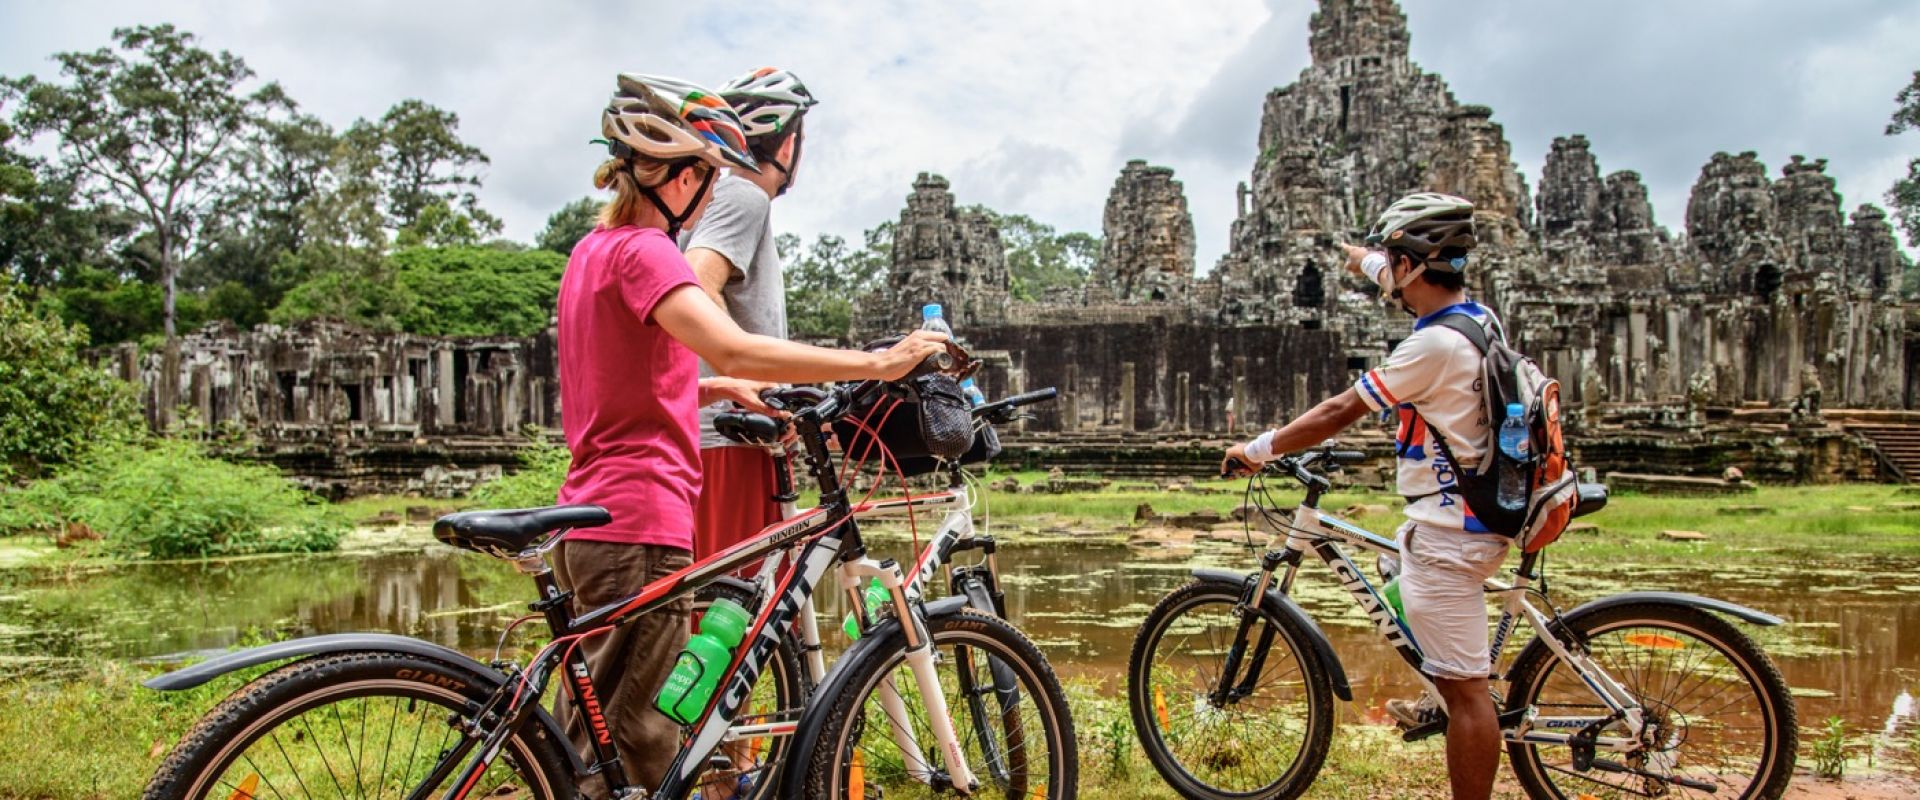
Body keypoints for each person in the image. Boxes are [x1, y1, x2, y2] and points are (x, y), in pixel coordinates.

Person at [553, 72, 947, 798]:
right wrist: (877, 361)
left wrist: (699, 386)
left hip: (589, 514)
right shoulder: (646, 253)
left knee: (587, 744)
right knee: (639, 746)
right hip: (641, 519)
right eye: (705, 173)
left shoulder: (589, 254)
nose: (710, 193)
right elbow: (732, 344)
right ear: (679, 175)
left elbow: (610, 379)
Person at [1221, 192, 1507, 800]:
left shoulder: (1431, 347)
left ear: (1411, 267)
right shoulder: (1476, 319)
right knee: (1390, 565)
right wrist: (1364, 260)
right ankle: (1440, 692)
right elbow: (1405, 277)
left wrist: (1259, 448)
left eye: (1392, 263)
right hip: (1462, 518)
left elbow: (1340, 409)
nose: (1389, 276)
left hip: (1453, 532)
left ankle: (1455, 708)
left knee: (1469, 695)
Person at [683, 67, 818, 566]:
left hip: (715, 434)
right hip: (729, 438)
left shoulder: (707, 201)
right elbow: (698, 282)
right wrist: (746, 384)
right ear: (787, 145)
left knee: (725, 612)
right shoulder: (742, 195)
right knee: (742, 610)